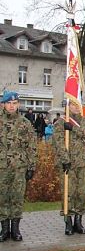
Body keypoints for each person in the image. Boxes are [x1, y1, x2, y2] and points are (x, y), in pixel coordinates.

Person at [52, 101, 85, 235]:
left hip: (83, 163)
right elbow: (58, 143)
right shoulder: (60, 123)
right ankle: (68, 222)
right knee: (68, 193)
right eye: (73, 105)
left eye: (78, 104)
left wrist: (74, 128)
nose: (76, 107)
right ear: (67, 106)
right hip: (68, 164)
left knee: (81, 193)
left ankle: (78, 221)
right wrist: (65, 160)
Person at [0, 92, 37, 242]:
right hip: (1, 167)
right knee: (2, 198)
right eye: (9, 103)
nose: (11, 106)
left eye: (14, 103)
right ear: (3, 104)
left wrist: (31, 166)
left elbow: (31, 146)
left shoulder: (25, 123)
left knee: (17, 197)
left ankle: (15, 229)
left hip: (19, 167)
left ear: (18, 105)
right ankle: (4, 230)